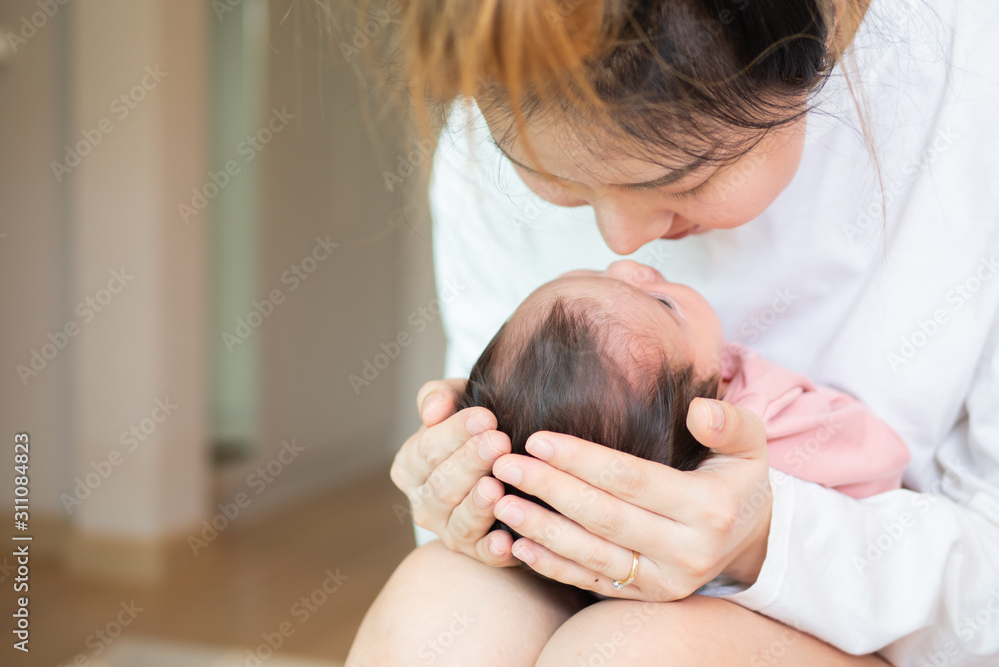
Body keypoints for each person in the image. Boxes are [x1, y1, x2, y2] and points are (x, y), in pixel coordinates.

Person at [346, 0, 999, 664]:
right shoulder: (500, 50)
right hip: (586, 594)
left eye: (688, 177)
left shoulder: (974, 83)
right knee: (442, 601)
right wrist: (477, 506)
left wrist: (765, 541)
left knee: (631, 653)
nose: (621, 244)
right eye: (558, 183)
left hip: (904, 632)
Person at [456, 260, 910, 542]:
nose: (629, 263)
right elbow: (882, 459)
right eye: (661, 303)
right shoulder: (762, 415)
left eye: (591, 271)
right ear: (705, 409)